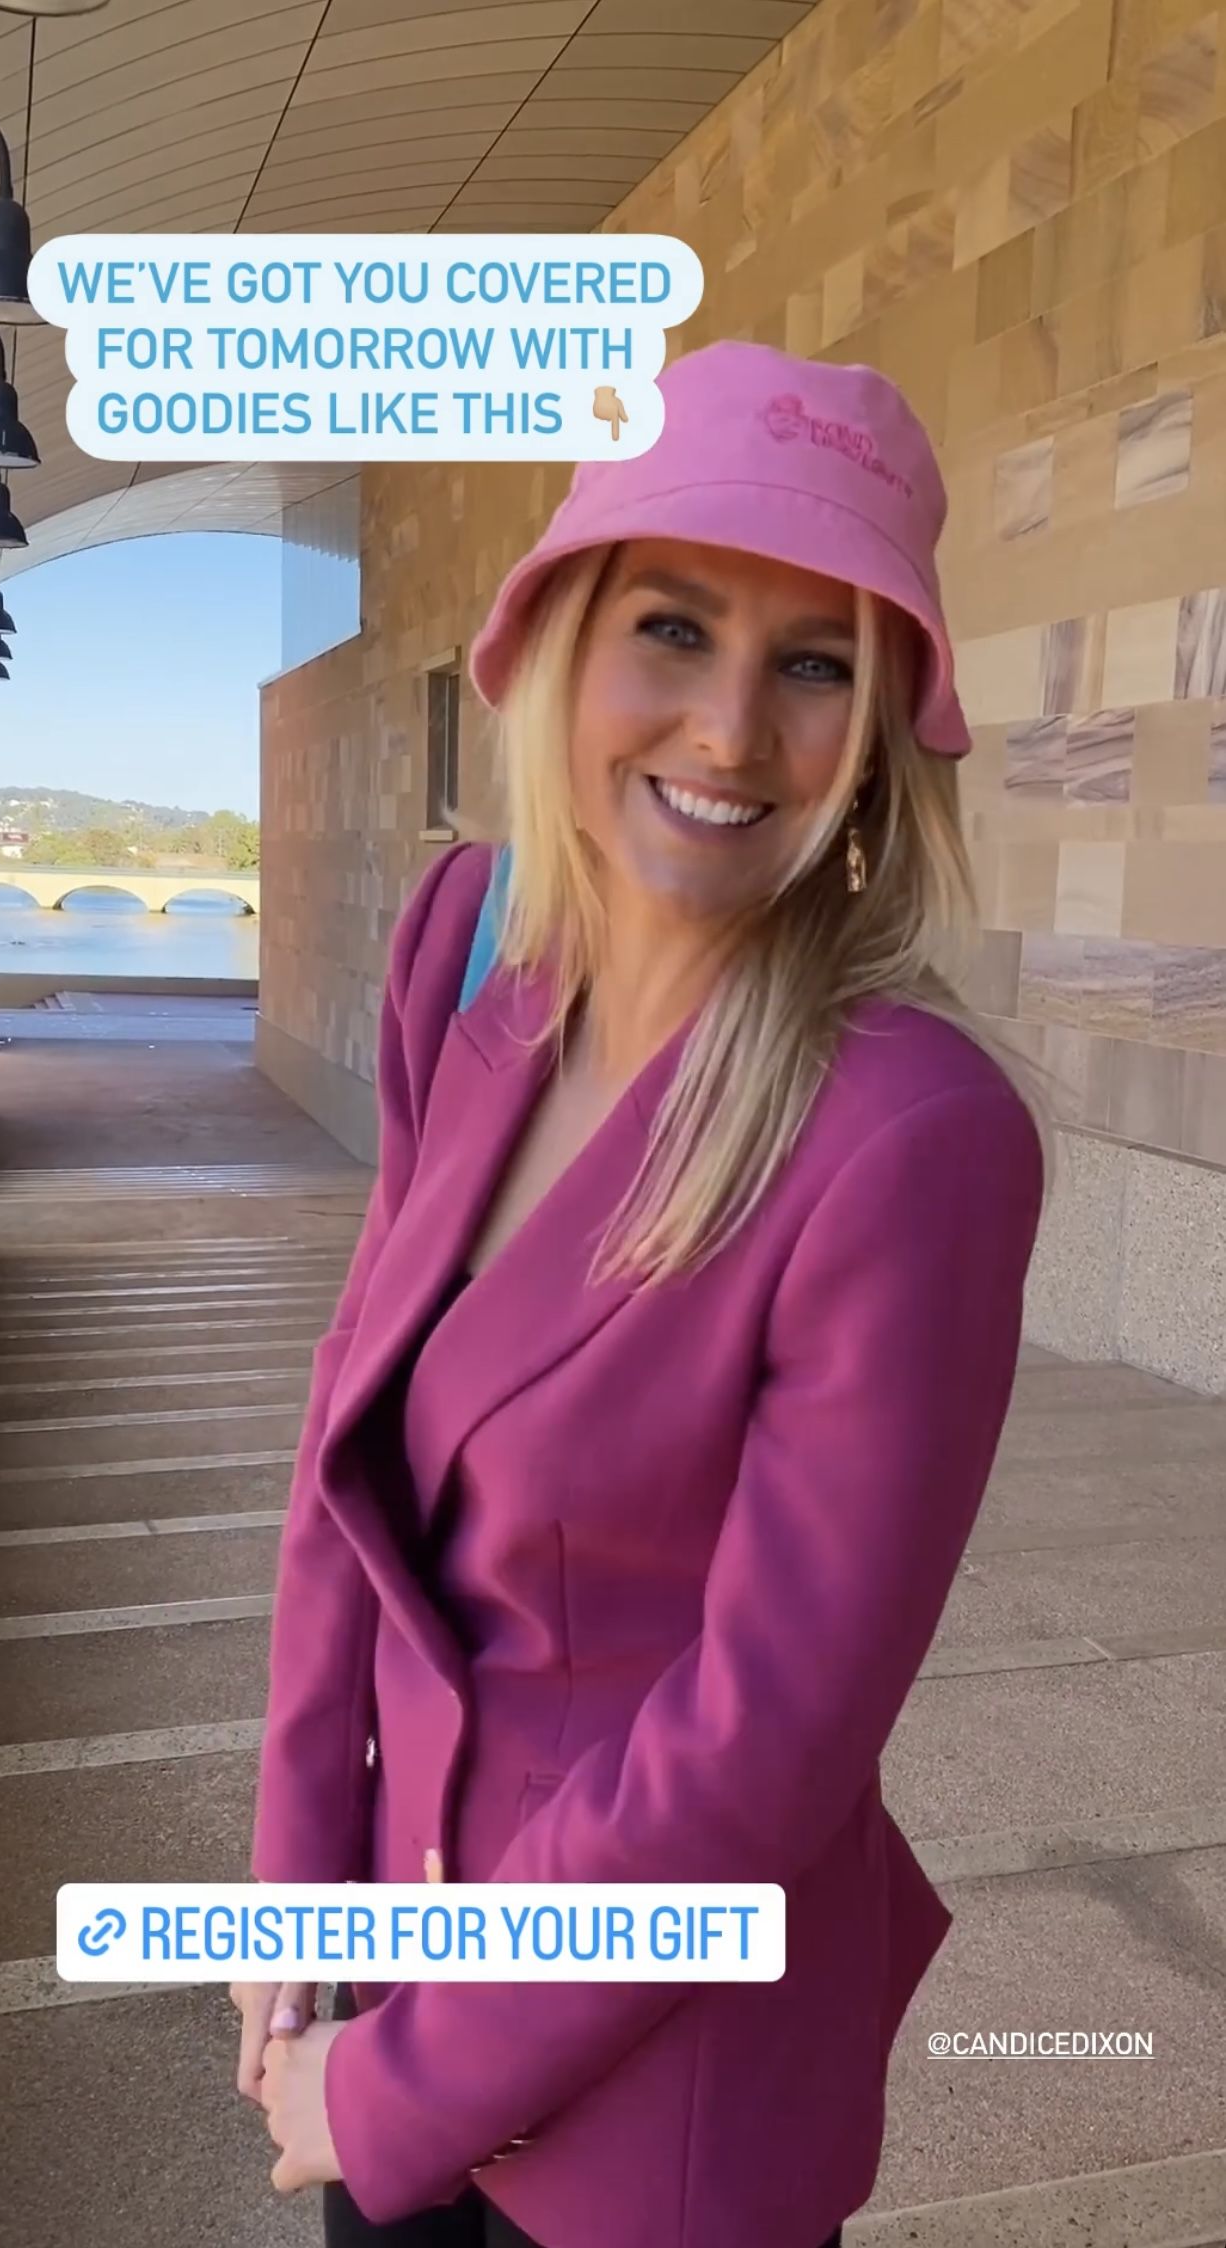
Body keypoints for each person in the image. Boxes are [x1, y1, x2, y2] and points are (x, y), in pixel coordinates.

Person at [231, 338, 1052, 2248]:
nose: (732, 731)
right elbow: (348, 1443)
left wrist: (397, 2086)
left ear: (879, 727)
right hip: (385, 1968)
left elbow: (762, 1742)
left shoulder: (910, 1134)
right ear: (561, 643)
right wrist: (296, 1887)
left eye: (816, 663)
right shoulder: (470, 949)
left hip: (656, 2109)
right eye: (673, 628)